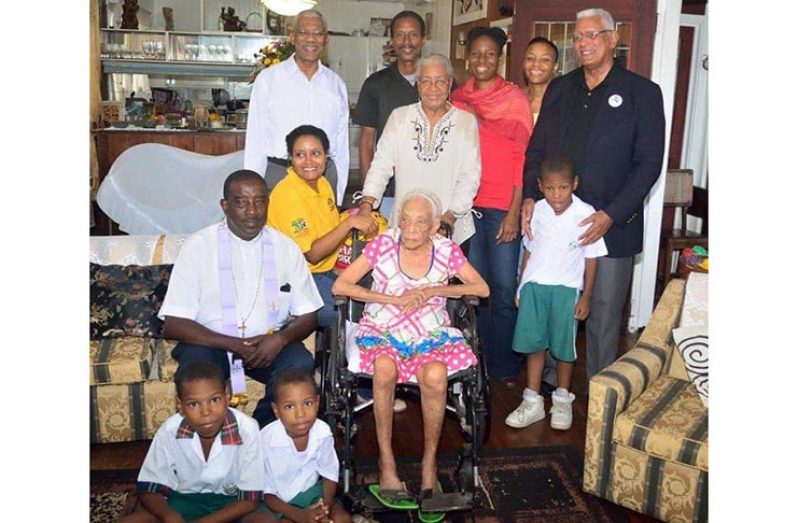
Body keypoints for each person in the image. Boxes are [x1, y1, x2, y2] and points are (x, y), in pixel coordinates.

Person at [521, 7, 665, 380]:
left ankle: (601, 391)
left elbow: (649, 164)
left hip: (612, 226)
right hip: (556, 224)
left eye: (593, 35)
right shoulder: (561, 88)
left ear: (612, 39)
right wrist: (528, 198)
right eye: (579, 37)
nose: (584, 43)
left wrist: (611, 214)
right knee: (555, 303)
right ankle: (553, 381)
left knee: (602, 313)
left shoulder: (642, 93)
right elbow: (536, 151)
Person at [332, 189, 489, 503]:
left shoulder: (446, 250)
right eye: (406, 221)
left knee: (435, 376)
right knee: (384, 368)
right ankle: (386, 460)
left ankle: (429, 461)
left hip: (429, 330)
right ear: (398, 221)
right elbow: (342, 285)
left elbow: (481, 288)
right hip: (382, 325)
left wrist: (434, 289)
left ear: (433, 227)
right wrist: (393, 299)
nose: (412, 229)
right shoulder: (384, 244)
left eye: (420, 223)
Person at [159, 170, 322, 428]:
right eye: (241, 202)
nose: (252, 211)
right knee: (197, 373)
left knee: (299, 365)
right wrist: (233, 344)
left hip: (267, 344)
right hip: (210, 343)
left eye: (259, 201)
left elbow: (309, 314)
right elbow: (174, 323)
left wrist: (279, 339)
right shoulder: (198, 246)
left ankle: (261, 435)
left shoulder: (285, 247)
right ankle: (218, 443)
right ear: (224, 205)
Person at [451, 26, 532, 386]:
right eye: (476, 53)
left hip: (502, 208)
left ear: (500, 59)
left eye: (490, 54)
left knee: (501, 289)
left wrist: (514, 211)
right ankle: (475, 359)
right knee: (475, 289)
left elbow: (522, 160)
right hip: (467, 206)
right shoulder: (457, 98)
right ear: (468, 57)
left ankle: (502, 365)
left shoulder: (514, 99)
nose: (482, 60)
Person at [505, 156, 607, 431]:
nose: (557, 195)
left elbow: (592, 258)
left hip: (566, 291)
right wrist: (521, 283)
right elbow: (529, 248)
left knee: (564, 349)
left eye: (563, 187)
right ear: (540, 186)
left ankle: (562, 400)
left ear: (574, 184)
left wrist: (585, 296)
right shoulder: (535, 211)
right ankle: (533, 400)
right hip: (535, 288)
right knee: (534, 345)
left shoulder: (586, 214)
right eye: (550, 188)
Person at [120, 361, 272, 523]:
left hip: (232, 503)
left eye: (214, 400)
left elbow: (250, 499)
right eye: (194, 404)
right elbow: (150, 487)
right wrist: (170, 516)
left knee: (264, 520)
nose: (206, 412)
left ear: (227, 396)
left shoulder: (247, 429)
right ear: (181, 406)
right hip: (185, 501)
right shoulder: (170, 430)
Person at [357, 54, 481, 246]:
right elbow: (381, 165)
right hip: (406, 228)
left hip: (449, 228)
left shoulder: (465, 122)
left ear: (449, 84)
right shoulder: (400, 117)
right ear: (418, 85)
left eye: (440, 82)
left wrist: (450, 216)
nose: (433, 89)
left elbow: (470, 176)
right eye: (426, 82)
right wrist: (367, 204)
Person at [267, 125, 377, 328]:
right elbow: (313, 254)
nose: (309, 162)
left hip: (326, 270)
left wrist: (339, 267)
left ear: (326, 157)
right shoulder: (287, 195)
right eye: (300, 155)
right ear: (290, 158)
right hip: (296, 278)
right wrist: (351, 222)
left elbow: (329, 234)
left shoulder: (323, 184)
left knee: (378, 293)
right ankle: (341, 356)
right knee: (349, 314)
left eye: (315, 153)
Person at [244, 9, 349, 205]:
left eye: (317, 33)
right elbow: (255, 140)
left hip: (324, 177)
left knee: (326, 235)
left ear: (326, 40)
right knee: (277, 236)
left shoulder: (336, 85)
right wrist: (253, 188)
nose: (311, 39)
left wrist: (339, 195)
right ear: (292, 36)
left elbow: (342, 146)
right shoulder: (269, 80)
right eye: (304, 32)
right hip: (279, 175)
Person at [353, 10, 426, 219]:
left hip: (429, 188)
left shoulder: (437, 82)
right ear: (392, 40)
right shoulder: (376, 83)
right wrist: (370, 196)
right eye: (400, 35)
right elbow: (367, 142)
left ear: (423, 39)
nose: (406, 41)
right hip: (387, 192)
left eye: (413, 34)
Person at [259, 369, 350, 522]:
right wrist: (299, 515)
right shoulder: (265, 441)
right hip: (279, 502)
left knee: (342, 520)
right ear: (276, 410)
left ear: (317, 402)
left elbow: (329, 474)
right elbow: (265, 493)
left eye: (307, 403)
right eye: (289, 406)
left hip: (312, 494)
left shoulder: (322, 432)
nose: (300, 414)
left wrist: (324, 509)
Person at [523, 37, 559, 124]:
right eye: (530, 58)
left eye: (545, 59)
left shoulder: (564, 102)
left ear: (555, 67)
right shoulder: (514, 98)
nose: (536, 64)